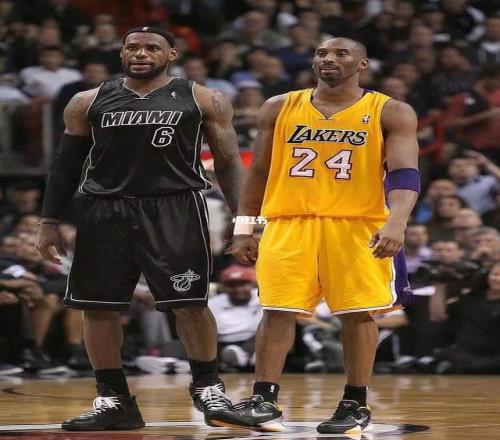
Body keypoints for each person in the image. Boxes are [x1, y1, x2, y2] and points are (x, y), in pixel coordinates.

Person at [35, 27, 244, 431]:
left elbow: (230, 161)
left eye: (152, 47)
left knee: (190, 304)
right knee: (98, 307)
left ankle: (209, 389)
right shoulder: (86, 101)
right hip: (103, 209)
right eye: (132, 47)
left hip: (175, 207)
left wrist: (244, 220)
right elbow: (65, 167)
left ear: (171, 55)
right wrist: (49, 222)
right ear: (121, 53)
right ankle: (114, 400)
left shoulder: (203, 98)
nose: (141, 53)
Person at [208, 37, 420, 434]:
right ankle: (263, 402)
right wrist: (244, 227)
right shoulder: (279, 106)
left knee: (357, 313)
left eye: (341, 54)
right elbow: (259, 172)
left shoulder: (390, 110)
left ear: (362, 64)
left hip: (356, 224)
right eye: (322, 53)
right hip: (289, 222)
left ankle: (355, 404)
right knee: (276, 310)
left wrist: (397, 223)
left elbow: (405, 173)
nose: (329, 59)